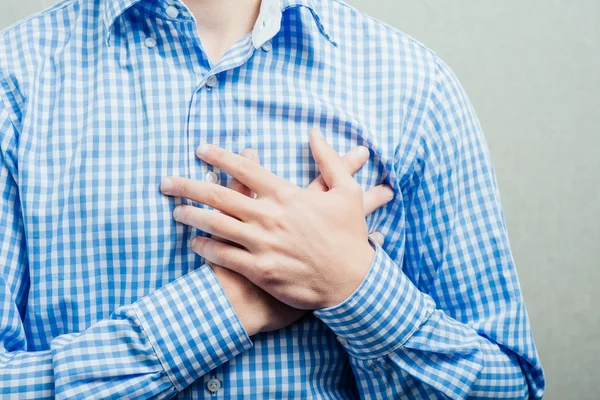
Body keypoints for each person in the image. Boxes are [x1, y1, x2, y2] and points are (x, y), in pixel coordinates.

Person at [0, 0, 546, 398]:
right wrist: (225, 308)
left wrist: (354, 286)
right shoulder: (15, 79)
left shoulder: (413, 89)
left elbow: (507, 388)